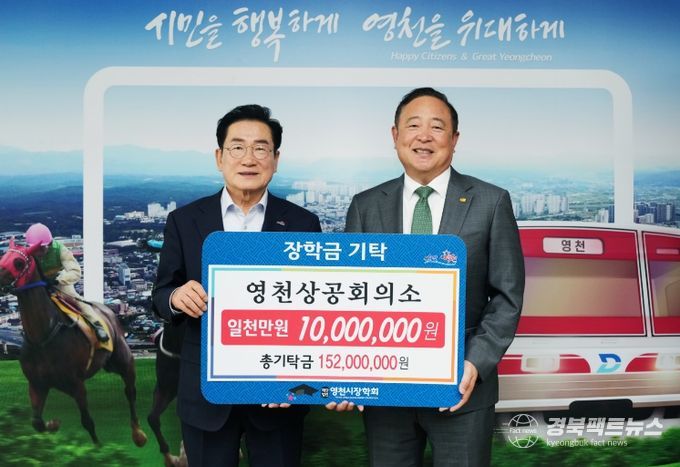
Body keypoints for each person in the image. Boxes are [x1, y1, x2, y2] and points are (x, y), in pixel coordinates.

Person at [338, 88, 525, 466]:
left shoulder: (490, 202)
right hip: (385, 391)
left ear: (454, 139)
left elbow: (507, 296)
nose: (424, 136)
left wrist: (475, 363)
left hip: (462, 389)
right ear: (395, 136)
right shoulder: (366, 206)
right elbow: (348, 296)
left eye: (437, 127)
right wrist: (343, 371)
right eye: (413, 126)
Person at [152, 104, 321, 467]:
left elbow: (317, 308)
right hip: (205, 395)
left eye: (261, 148)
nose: (249, 158)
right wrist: (177, 297)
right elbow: (161, 294)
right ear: (219, 157)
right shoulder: (184, 220)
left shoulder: (303, 223)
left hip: (278, 393)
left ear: (275, 159)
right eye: (237, 147)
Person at [25, 223, 109, 342]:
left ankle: (97, 324)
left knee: (74, 298)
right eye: (35, 249)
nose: (38, 253)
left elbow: (75, 272)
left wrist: (58, 280)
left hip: (59, 282)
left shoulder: (60, 250)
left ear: (49, 244)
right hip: (38, 284)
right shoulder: (27, 254)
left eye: (41, 248)